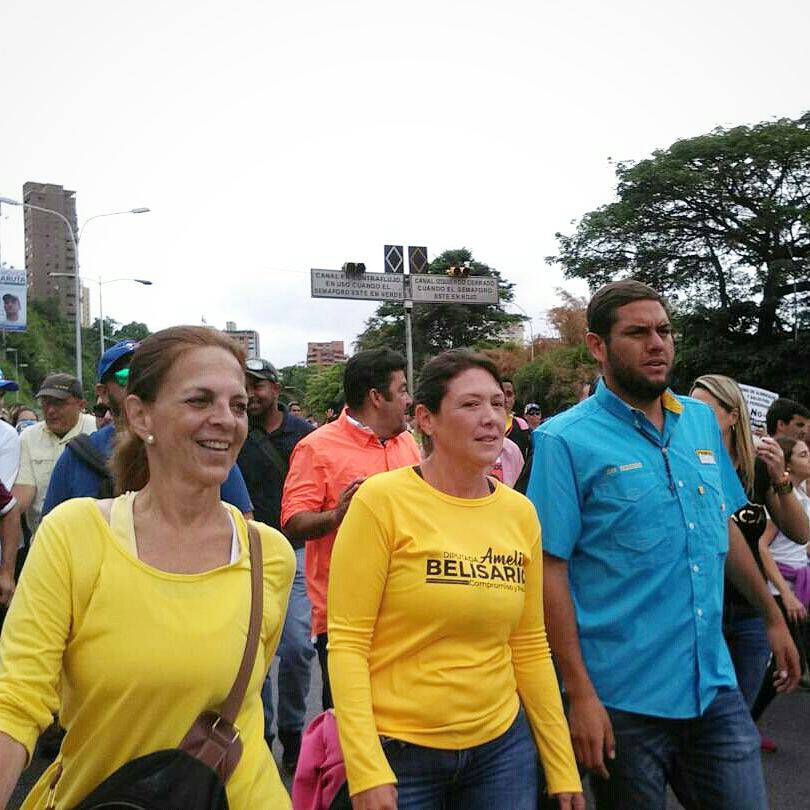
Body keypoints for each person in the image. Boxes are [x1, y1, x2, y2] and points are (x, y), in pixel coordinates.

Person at [528, 280, 799, 810]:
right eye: (637, 333)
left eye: (664, 331)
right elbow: (550, 569)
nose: (657, 344)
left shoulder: (698, 422)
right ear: (597, 346)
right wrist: (579, 693)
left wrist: (769, 618)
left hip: (710, 681)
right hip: (623, 698)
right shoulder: (563, 440)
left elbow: (722, 527)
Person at [0, 326, 295, 809]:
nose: (225, 420)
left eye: (237, 405)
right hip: (101, 796)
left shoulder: (269, 556)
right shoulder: (74, 536)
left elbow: (241, 706)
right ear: (140, 415)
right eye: (200, 401)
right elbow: (15, 701)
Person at [328, 349, 583, 810]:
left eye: (496, 404)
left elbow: (528, 645)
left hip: (501, 751)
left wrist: (561, 765)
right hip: (401, 753)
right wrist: (365, 767)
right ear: (426, 419)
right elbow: (347, 643)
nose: (490, 418)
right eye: (469, 405)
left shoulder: (519, 512)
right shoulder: (381, 502)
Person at [281, 348, 420, 710]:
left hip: (413, 610)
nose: (409, 399)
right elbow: (293, 521)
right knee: (349, 730)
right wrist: (337, 515)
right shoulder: (316, 447)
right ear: (376, 397)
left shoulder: (407, 443)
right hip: (346, 621)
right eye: (402, 390)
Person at [43, 340, 253, 517]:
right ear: (103, 392)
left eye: (152, 378)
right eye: (126, 376)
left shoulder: (200, 453)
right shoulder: (77, 457)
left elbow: (244, 530)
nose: (141, 384)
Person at [237, 357, 315, 772]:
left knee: (299, 647)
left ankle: (293, 728)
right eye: (245, 385)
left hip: (297, 551)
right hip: (245, 553)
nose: (251, 393)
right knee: (254, 651)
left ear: (275, 389)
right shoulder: (232, 431)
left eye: (258, 385)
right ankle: (261, 734)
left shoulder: (303, 436)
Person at [690, 375, 775, 711]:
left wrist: (781, 480)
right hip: (701, 609)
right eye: (690, 407)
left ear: (732, 415)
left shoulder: (758, 469)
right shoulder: (688, 462)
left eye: (706, 410)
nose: (694, 416)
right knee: (703, 719)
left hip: (748, 612)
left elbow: (799, 532)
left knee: (740, 715)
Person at [752, 436, 810, 722]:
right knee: (787, 660)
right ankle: (748, 720)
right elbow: (763, 545)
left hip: (798, 586)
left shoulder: (802, 497)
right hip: (780, 589)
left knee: (791, 658)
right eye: (803, 455)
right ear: (786, 464)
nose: (809, 459)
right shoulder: (784, 498)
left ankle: (748, 721)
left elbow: (799, 542)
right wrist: (786, 595)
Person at [12, 373, 95, 538]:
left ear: (81, 405)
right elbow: (23, 494)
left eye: (59, 403)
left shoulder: (96, 432)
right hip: (44, 539)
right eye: (45, 403)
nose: (50, 410)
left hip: (90, 537)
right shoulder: (28, 438)